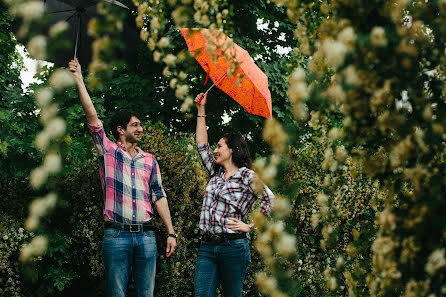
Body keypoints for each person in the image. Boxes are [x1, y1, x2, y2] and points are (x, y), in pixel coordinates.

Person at [68, 59, 177, 297]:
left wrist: (170, 231)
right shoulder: (107, 151)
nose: (140, 129)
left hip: (147, 236)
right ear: (120, 129)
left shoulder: (150, 160)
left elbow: (159, 196)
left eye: (140, 125)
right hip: (116, 235)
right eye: (135, 125)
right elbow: (93, 117)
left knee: (146, 294)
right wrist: (79, 79)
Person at [193, 92, 274, 297]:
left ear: (232, 150)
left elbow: (270, 200)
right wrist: (201, 110)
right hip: (207, 247)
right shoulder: (215, 172)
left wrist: (251, 226)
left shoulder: (247, 176)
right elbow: (202, 146)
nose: (216, 150)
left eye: (220, 146)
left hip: (233, 247)